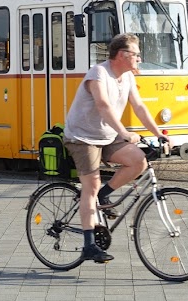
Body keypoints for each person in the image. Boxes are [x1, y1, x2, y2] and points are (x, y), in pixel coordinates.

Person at [64, 33, 166, 264]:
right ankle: (89, 245)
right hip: (82, 137)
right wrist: (125, 133)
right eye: (136, 54)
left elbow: (139, 106)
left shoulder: (127, 76)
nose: (139, 59)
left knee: (138, 161)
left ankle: (103, 196)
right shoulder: (98, 73)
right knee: (91, 184)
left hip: (107, 135)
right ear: (122, 55)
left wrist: (158, 133)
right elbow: (103, 105)